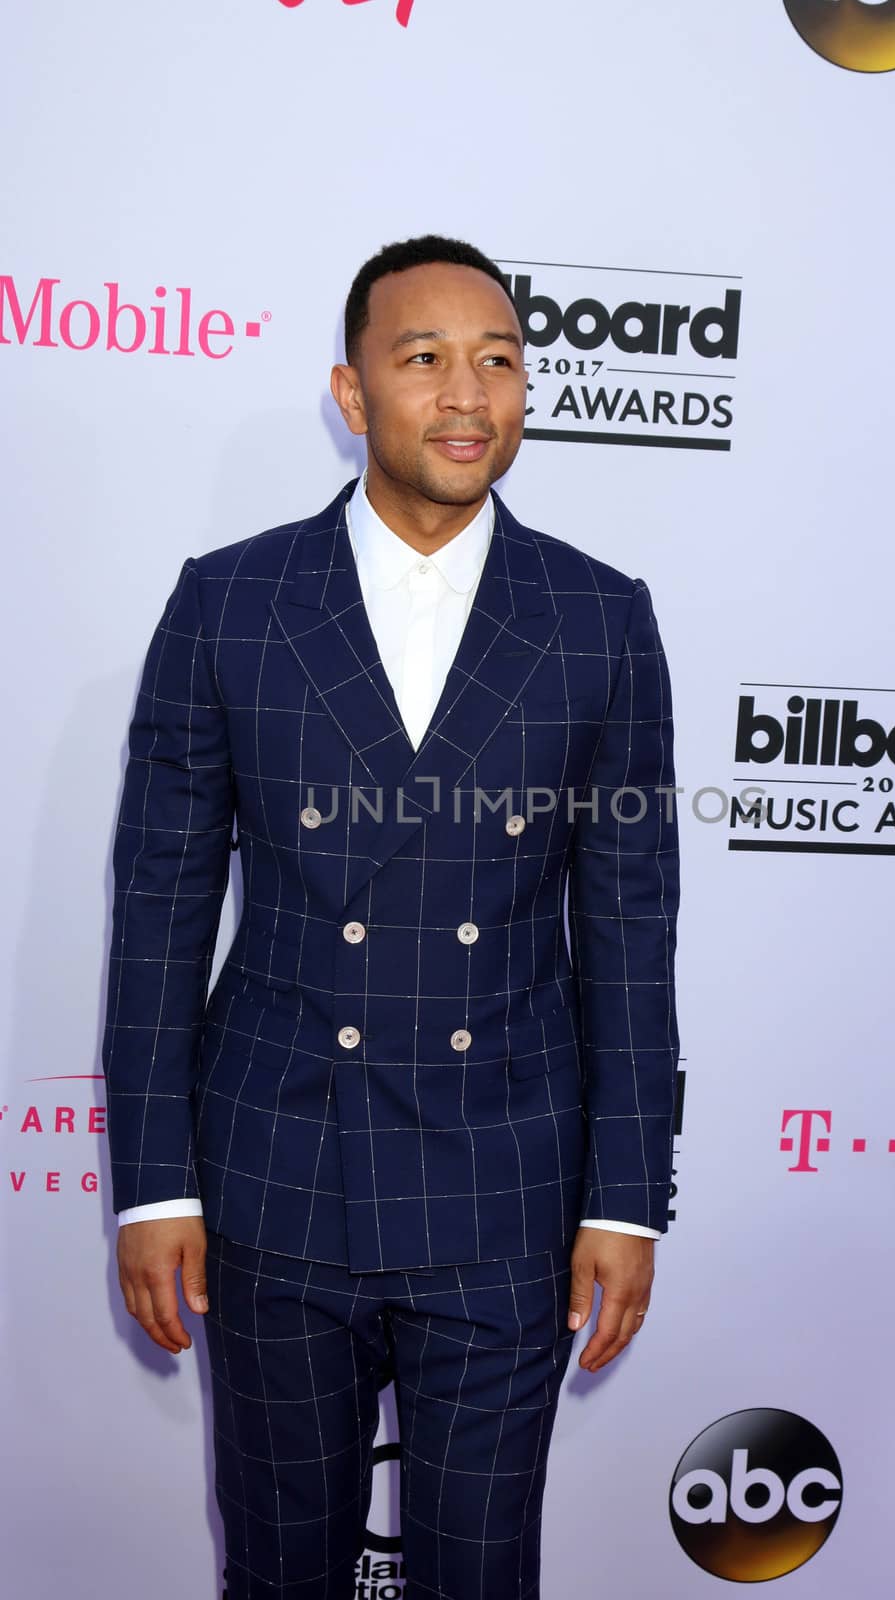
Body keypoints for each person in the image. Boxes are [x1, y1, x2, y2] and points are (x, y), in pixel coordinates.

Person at [102, 234, 681, 1600]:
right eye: (423, 360)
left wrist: (626, 1199)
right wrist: (157, 1180)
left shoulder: (600, 619)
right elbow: (159, 907)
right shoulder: (231, 602)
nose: (468, 394)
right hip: (276, 1174)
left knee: (483, 1578)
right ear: (352, 395)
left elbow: (631, 929)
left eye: (499, 361)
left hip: (507, 1190)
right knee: (282, 1571)